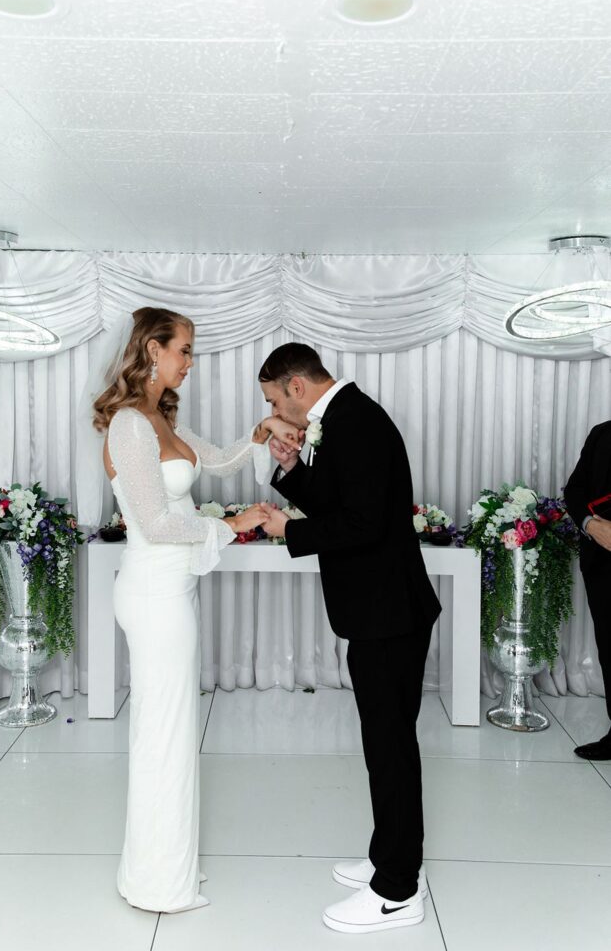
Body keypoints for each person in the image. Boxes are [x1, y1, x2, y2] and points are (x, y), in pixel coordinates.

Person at [91, 307, 301, 913]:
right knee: (164, 734)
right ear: (152, 349)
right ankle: (158, 882)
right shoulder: (130, 425)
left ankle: (162, 868)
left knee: (172, 732)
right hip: (155, 594)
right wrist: (231, 524)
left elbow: (219, 460)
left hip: (169, 589)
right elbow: (155, 522)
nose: (191, 361)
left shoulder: (159, 418)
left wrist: (261, 436)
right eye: (184, 349)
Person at [258, 343, 441, 935]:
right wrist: (291, 469)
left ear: (295, 386)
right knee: (383, 743)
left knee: (390, 747)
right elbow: (342, 500)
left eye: (273, 401)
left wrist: (290, 529)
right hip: (381, 611)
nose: (278, 413)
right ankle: (387, 855)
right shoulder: (345, 418)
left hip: (389, 613)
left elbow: (362, 525)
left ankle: (396, 889)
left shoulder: (356, 422)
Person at [564, 422, 611, 761]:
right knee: (610, 648)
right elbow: (575, 490)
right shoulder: (602, 433)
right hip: (603, 563)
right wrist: (591, 525)